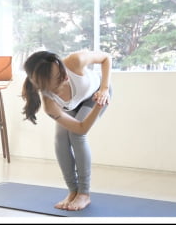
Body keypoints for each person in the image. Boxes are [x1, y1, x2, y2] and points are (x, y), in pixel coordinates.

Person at [21, 50, 112, 211]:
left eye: (61, 70)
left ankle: (84, 194)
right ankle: (72, 191)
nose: (65, 77)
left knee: (76, 136)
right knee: (61, 139)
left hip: (95, 94)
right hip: (71, 104)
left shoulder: (74, 61)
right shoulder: (50, 103)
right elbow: (81, 126)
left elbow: (106, 58)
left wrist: (103, 91)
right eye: (58, 78)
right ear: (44, 85)